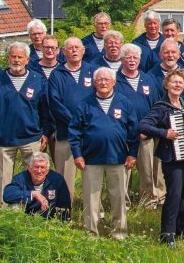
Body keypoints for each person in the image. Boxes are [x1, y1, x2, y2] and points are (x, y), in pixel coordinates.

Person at [69, 67, 138, 239]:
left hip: (118, 158)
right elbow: (74, 131)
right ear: (94, 83)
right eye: (99, 79)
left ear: (114, 82)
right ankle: (90, 232)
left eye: (107, 79)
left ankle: (119, 232)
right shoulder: (85, 104)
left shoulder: (124, 103)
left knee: (119, 197)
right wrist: (77, 154)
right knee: (91, 199)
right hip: (91, 159)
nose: (103, 82)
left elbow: (133, 131)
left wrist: (133, 153)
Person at [0, 41, 52, 204]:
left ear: (27, 60)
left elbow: (45, 109)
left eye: (20, 57)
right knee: (4, 179)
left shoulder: (38, 80)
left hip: (31, 137)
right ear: (8, 58)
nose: (16, 60)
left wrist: (46, 132)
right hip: (4, 138)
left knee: (34, 176)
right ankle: (4, 211)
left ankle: (34, 208)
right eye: (13, 56)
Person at [139, 68, 184, 248]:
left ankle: (180, 229)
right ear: (167, 85)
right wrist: (164, 133)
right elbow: (143, 125)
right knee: (174, 194)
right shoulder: (161, 107)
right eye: (174, 82)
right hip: (172, 157)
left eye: (180, 82)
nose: (177, 85)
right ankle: (167, 234)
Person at [114, 43, 163, 206]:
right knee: (123, 171)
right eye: (128, 57)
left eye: (135, 57)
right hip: (123, 135)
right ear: (121, 60)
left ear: (140, 60)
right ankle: (123, 203)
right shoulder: (115, 80)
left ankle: (147, 202)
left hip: (145, 134)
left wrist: (147, 129)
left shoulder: (148, 79)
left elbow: (156, 107)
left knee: (147, 171)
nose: (132, 60)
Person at [47, 36, 96, 198]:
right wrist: (75, 122)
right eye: (70, 48)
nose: (74, 50)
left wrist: (87, 122)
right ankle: (65, 209)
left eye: (77, 48)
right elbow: (54, 102)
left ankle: (93, 208)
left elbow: (101, 97)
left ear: (83, 51)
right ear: (64, 52)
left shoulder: (92, 71)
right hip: (66, 132)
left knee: (92, 174)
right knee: (65, 174)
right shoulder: (57, 74)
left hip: (90, 132)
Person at [3, 151, 71, 219]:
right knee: (14, 206)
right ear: (29, 168)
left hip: (48, 220)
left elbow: (65, 205)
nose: (39, 171)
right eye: (36, 167)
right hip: (25, 218)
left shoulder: (57, 179)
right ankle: (15, 228)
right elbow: (7, 195)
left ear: (47, 170)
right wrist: (33, 194)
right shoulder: (21, 178)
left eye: (42, 167)